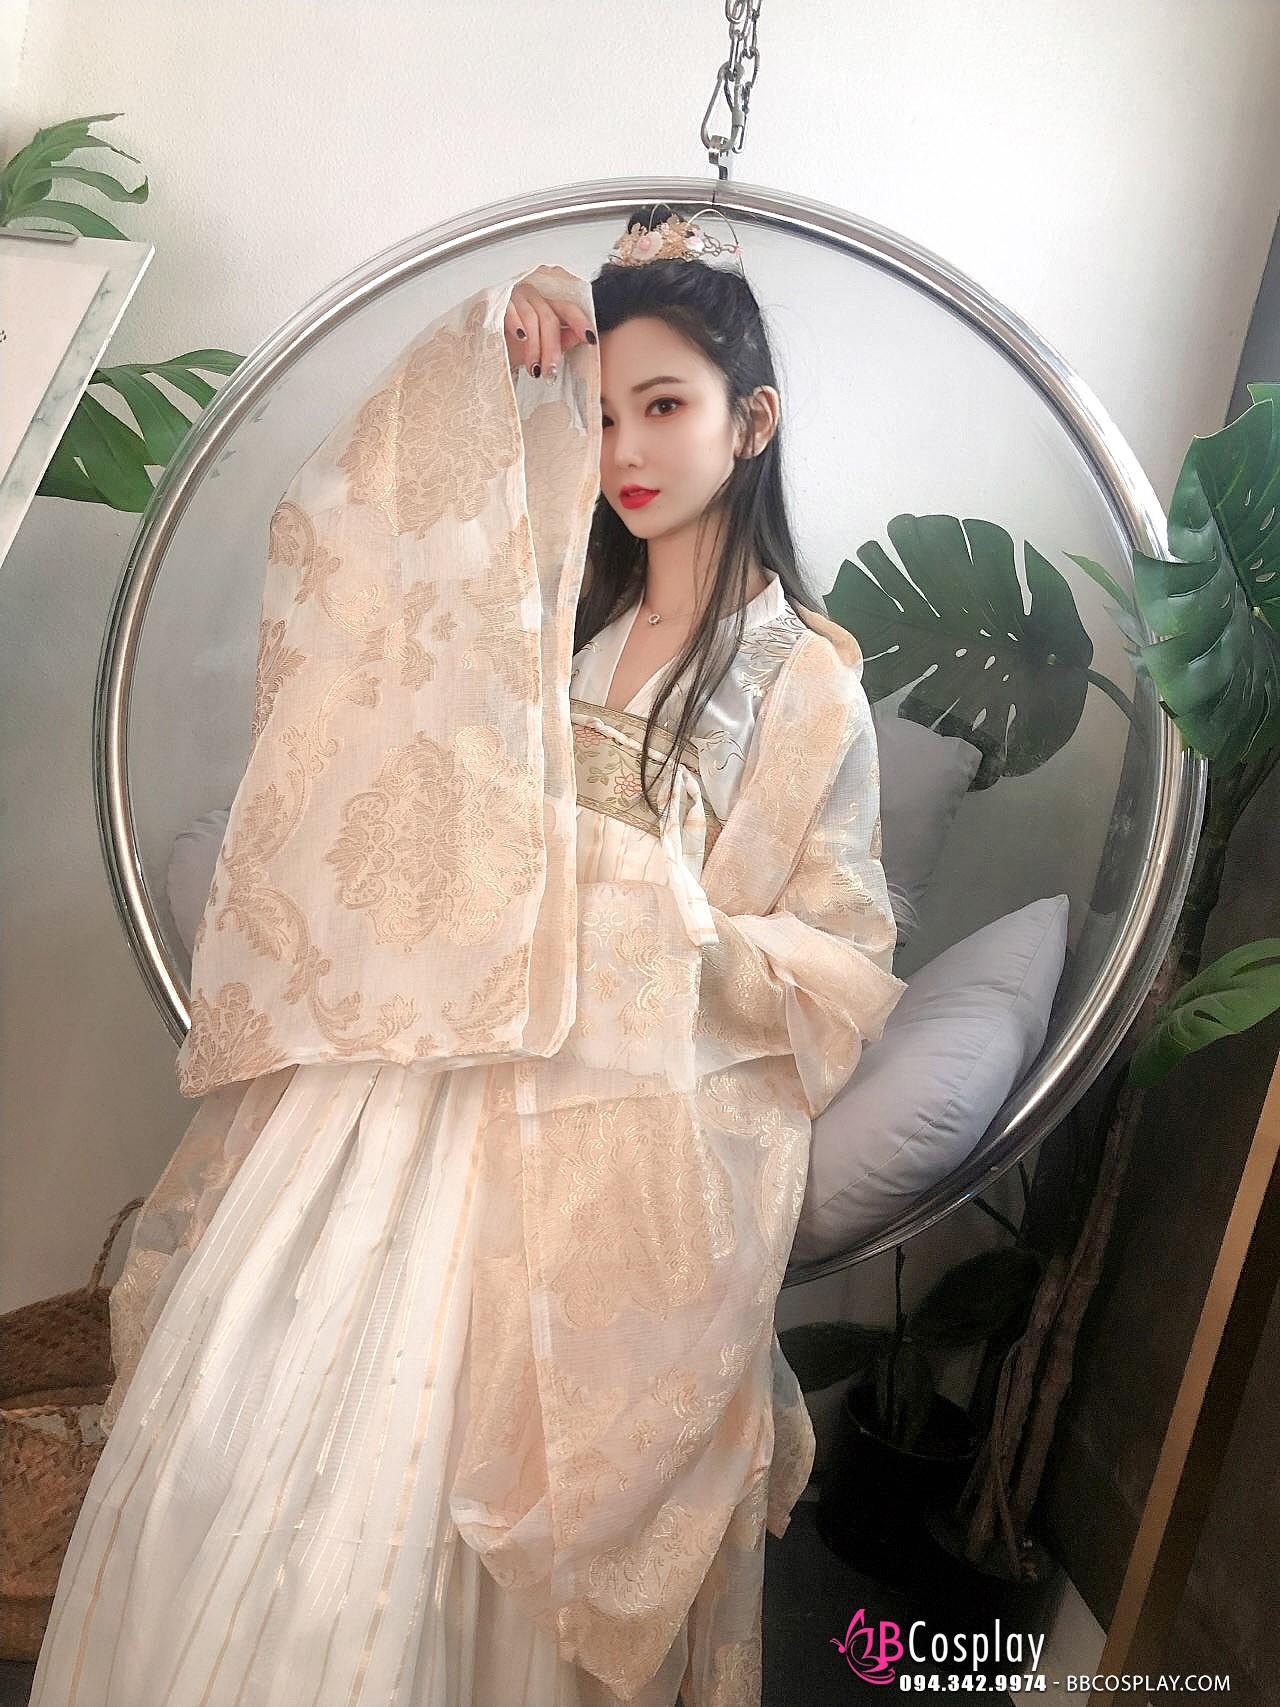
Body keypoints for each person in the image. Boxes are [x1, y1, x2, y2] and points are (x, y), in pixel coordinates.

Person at [30, 206, 903, 1707]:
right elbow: (363, 565)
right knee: (251, 1420)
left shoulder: (806, 683)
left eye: (667, 406)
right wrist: (492, 357)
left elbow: (838, 959)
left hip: (609, 1086)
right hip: (441, 1046)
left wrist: (658, 916)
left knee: (475, 1451)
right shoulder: (553, 616)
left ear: (753, 422)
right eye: (606, 411)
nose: (627, 449)